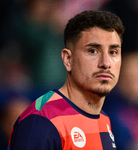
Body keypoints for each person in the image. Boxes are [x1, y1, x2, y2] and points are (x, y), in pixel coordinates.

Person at [8, 10, 125, 150]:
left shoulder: (104, 119)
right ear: (68, 59)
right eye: (93, 51)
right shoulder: (42, 121)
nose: (106, 63)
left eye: (113, 52)